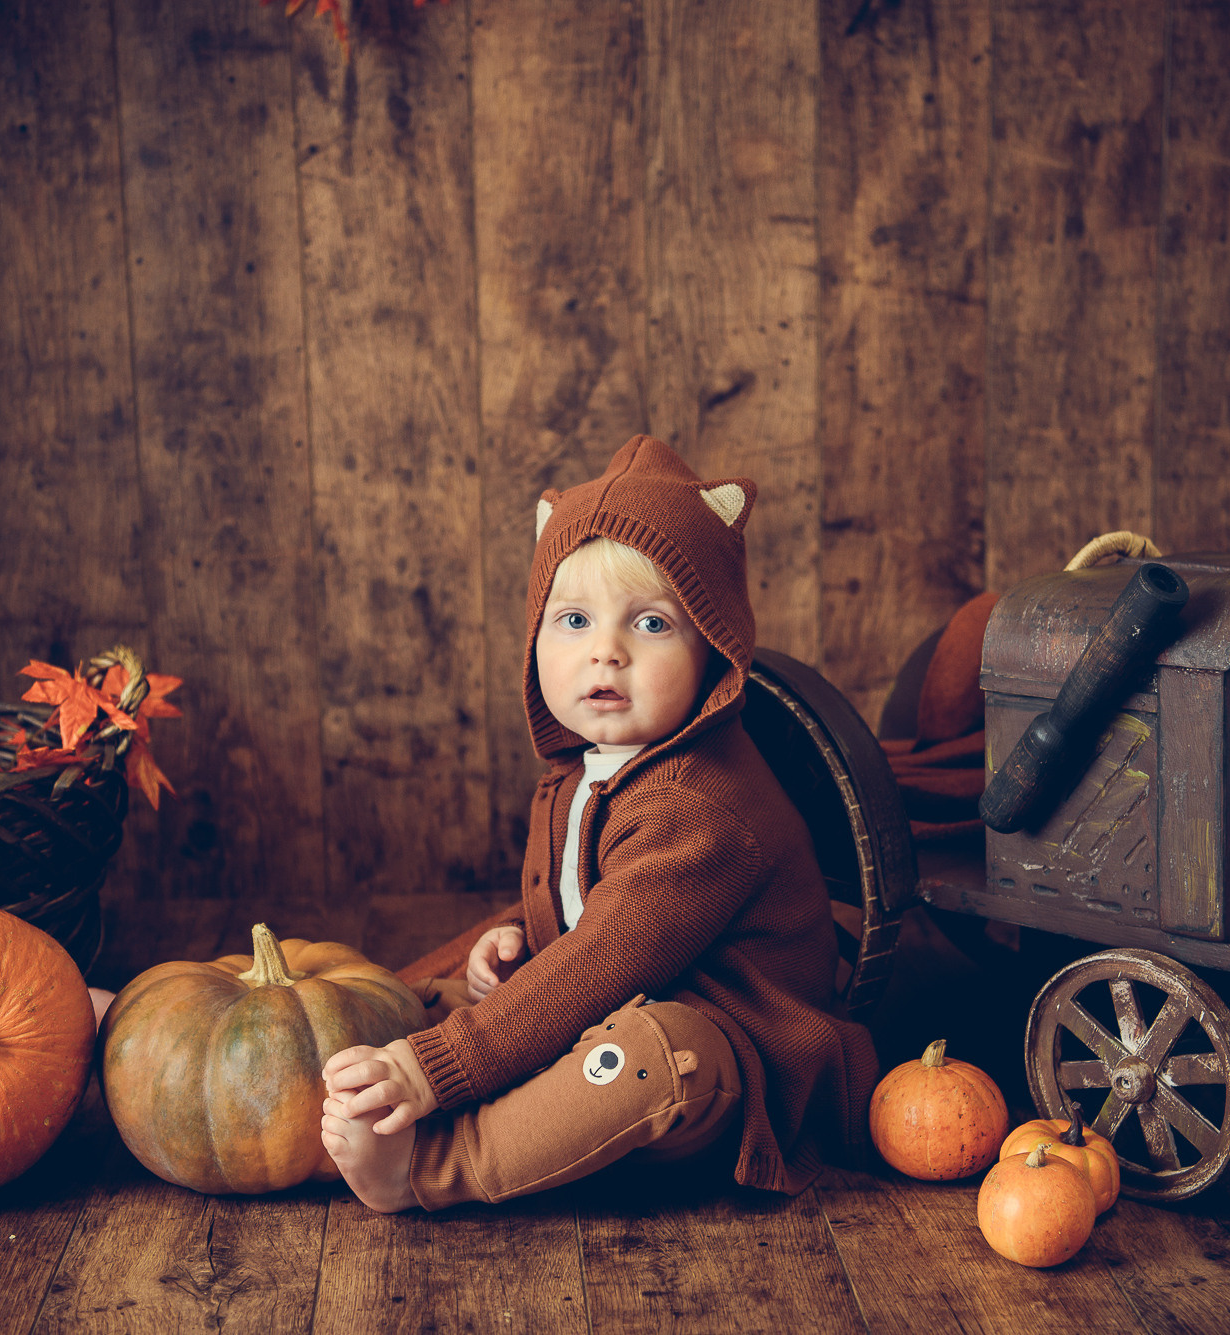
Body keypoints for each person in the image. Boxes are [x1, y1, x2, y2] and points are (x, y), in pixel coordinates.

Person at [319, 435, 880, 1212]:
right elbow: (592, 915)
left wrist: (434, 1068)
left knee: (646, 1059)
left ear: (714, 650)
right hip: (613, 994)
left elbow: (604, 959)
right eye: (574, 619)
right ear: (536, 638)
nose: (604, 653)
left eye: (650, 624)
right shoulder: (585, 769)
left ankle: (437, 1161)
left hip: (740, 1062)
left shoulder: (701, 805)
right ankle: (328, 1110)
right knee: (447, 998)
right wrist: (517, 935)